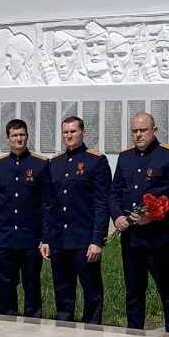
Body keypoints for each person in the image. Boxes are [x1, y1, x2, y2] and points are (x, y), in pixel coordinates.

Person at [112, 111, 169, 332]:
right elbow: (114, 193)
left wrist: (153, 215)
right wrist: (117, 216)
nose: (138, 135)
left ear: (154, 130)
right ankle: (134, 336)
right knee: (134, 293)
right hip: (132, 239)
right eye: (134, 131)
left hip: (159, 239)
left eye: (143, 130)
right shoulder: (125, 157)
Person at [40, 115, 111, 323]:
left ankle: (92, 330)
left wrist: (97, 240)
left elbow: (101, 204)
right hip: (59, 239)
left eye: (73, 131)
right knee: (62, 291)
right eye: (65, 132)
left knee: (91, 291)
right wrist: (46, 238)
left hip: (84, 240)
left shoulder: (96, 161)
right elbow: (49, 204)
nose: (69, 136)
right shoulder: (55, 163)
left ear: (83, 132)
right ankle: (64, 329)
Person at [0, 118, 49, 317]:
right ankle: (7, 322)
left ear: (27, 136)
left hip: (30, 238)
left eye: (22, 135)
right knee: (5, 286)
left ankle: (32, 323)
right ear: (8, 138)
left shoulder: (40, 165)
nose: (18, 139)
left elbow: (47, 204)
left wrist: (45, 237)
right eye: (14, 135)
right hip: (4, 238)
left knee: (32, 286)